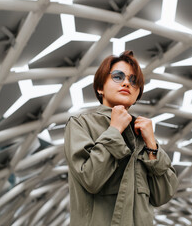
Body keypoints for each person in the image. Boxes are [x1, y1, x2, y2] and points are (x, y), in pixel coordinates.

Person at [64, 50, 178, 226]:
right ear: (100, 87)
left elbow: (162, 195)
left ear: (138, 93)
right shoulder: (81, 125)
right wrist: (114, 130)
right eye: (118, 76)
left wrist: (152, 146)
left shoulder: (143, 135)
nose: (126, 83)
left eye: (134, 81)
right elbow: (90, 179)